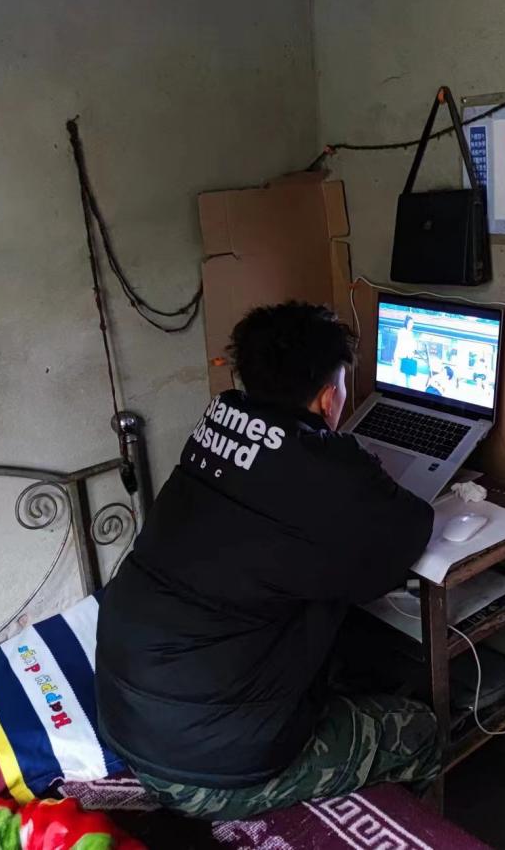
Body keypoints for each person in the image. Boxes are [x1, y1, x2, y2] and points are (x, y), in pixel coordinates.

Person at [96, 301, 440, 821]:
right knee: (422, 730)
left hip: (127, 715)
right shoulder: (329, 471)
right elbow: (409, 531)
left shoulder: (218, 418)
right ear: (329, 397)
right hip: (205, 766)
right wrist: (352, 462)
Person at [392, 315, 421, 389]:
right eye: (410, 323)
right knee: (396, 376)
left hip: (408, 357)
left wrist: (412, 352)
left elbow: (413, 346)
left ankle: (408, 390)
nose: (411, 325)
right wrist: (395, 356)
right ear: (406, 323)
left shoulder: (411, 334)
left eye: (412, 323)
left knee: (408, 376)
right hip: (399, 356)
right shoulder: (401, 331)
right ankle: (392, 390)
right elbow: (399, 344)